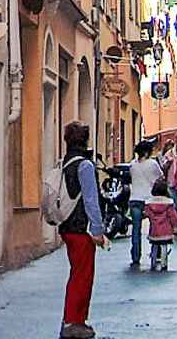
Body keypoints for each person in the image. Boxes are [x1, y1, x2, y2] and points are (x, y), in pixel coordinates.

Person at [56, 120, 108, 339]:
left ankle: (73, 319)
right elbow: (90, 199)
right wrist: (97, 229)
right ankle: (73, 321)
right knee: (82, 276)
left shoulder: (66, 162)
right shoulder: (85, 165)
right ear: (85, 139)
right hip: (81, 228)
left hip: (67, 225)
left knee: (76, 273)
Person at [126, 139, 165, 269]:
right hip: (150, 199)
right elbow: (161, 177)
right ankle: (156, 252)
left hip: (135, 199)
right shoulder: (153, 164)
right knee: (155, 226)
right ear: (148, 152)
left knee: (136, 229)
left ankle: (135, 256)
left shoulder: (132, 164)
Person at [144, 179, 177, 271]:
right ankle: (164, 263)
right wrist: (175, 227)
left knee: (154, 245)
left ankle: (153, 262)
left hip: (154, 229)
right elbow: (173, 216)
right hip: (166, 229)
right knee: (164, 246)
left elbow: (147, 214)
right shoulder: (169, 203)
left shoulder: (149, 203)